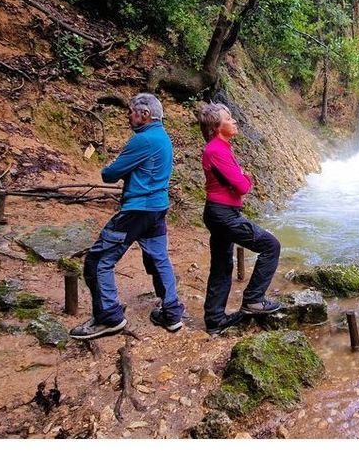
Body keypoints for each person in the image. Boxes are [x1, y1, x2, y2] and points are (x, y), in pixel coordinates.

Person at [70, 93, 185, 340]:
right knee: (159, 258)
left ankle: (108, 318)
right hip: (157, 207)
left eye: (131, 111)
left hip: (137, 210)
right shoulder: (163, 137)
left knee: (99, 259)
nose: (128, 116)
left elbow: (110, 174)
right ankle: (172, 313)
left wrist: (107, 168)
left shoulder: (143, 140)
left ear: (145, 114)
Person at [198, 103, 282, 334]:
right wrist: (246, 177)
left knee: (222, 265)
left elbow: (238, 182)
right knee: (270, 245)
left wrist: (243, 177)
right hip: (223, 213)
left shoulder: (221, 147)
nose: (234, 121)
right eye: (229, 119)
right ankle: (253, 299)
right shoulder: (216, 150)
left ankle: (215, 320)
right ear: (217, 126)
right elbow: (242, 186)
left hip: (220, 212)